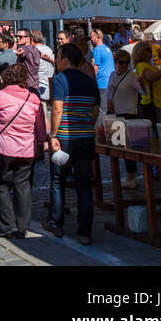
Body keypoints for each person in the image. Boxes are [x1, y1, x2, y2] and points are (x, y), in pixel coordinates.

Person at [45, 42, 101, 245]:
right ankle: (84, 231)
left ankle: (55, 222)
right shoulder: (90, 81)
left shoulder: (61, 79)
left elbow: (57, 109)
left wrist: (53, 135)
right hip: (86, 138)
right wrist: (86, 126)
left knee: (58, 181)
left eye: (58, 57)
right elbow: (95, 110)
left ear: (65, 59)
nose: (57, 61)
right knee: (84, 185)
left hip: (66, 138)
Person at [0, 62, 47, 238]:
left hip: (4, 147)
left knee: (2, 185)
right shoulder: (33, 99)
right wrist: (41, 143)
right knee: (23, 185)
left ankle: (8, 224)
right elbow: (40, 128)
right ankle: (22, 226)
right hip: (27, 149)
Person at [106, 49, 141, 188]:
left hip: (129, 113)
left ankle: (132, 175)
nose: (123, 65)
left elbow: (142, 91)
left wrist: (142, 84)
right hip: (115, 113)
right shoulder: (112, 75)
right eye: (121, 62)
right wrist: (109, 102)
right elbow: (109, 92)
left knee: (128, 146)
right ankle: (126, 174)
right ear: (115, 62)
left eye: (126, 63)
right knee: (117, 145)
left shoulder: (132, 76)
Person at [132, 40, 161, 133]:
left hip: (157, 104)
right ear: (142, 52)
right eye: (149, 50)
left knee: (160, 133)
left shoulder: (151, 66)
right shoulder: (141, 65)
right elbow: (152, 77)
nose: (152, 52)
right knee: (158, 133)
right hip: (152, 104)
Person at [90, 29, 115, 115]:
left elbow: (95, 69)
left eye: (92, 37)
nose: (90, 39)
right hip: (110, 82)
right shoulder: (107, 48)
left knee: (102, 110)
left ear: (98, 37)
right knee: (110, 108)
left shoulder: (97, 50)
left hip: (102, 83)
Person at [15, 29, 41, 94]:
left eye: (20, 37)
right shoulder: (35, 49)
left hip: (27, 89)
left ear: (28, 38)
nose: (18, 38)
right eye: (16, 36)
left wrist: (19, 53)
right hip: (35, 87)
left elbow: (23, 51)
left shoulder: (25, 48)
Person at [32, 31, 56, 102]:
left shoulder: (33, 51)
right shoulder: (49, 50)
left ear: (32, 39)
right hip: (49, 88)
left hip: (38, 90)